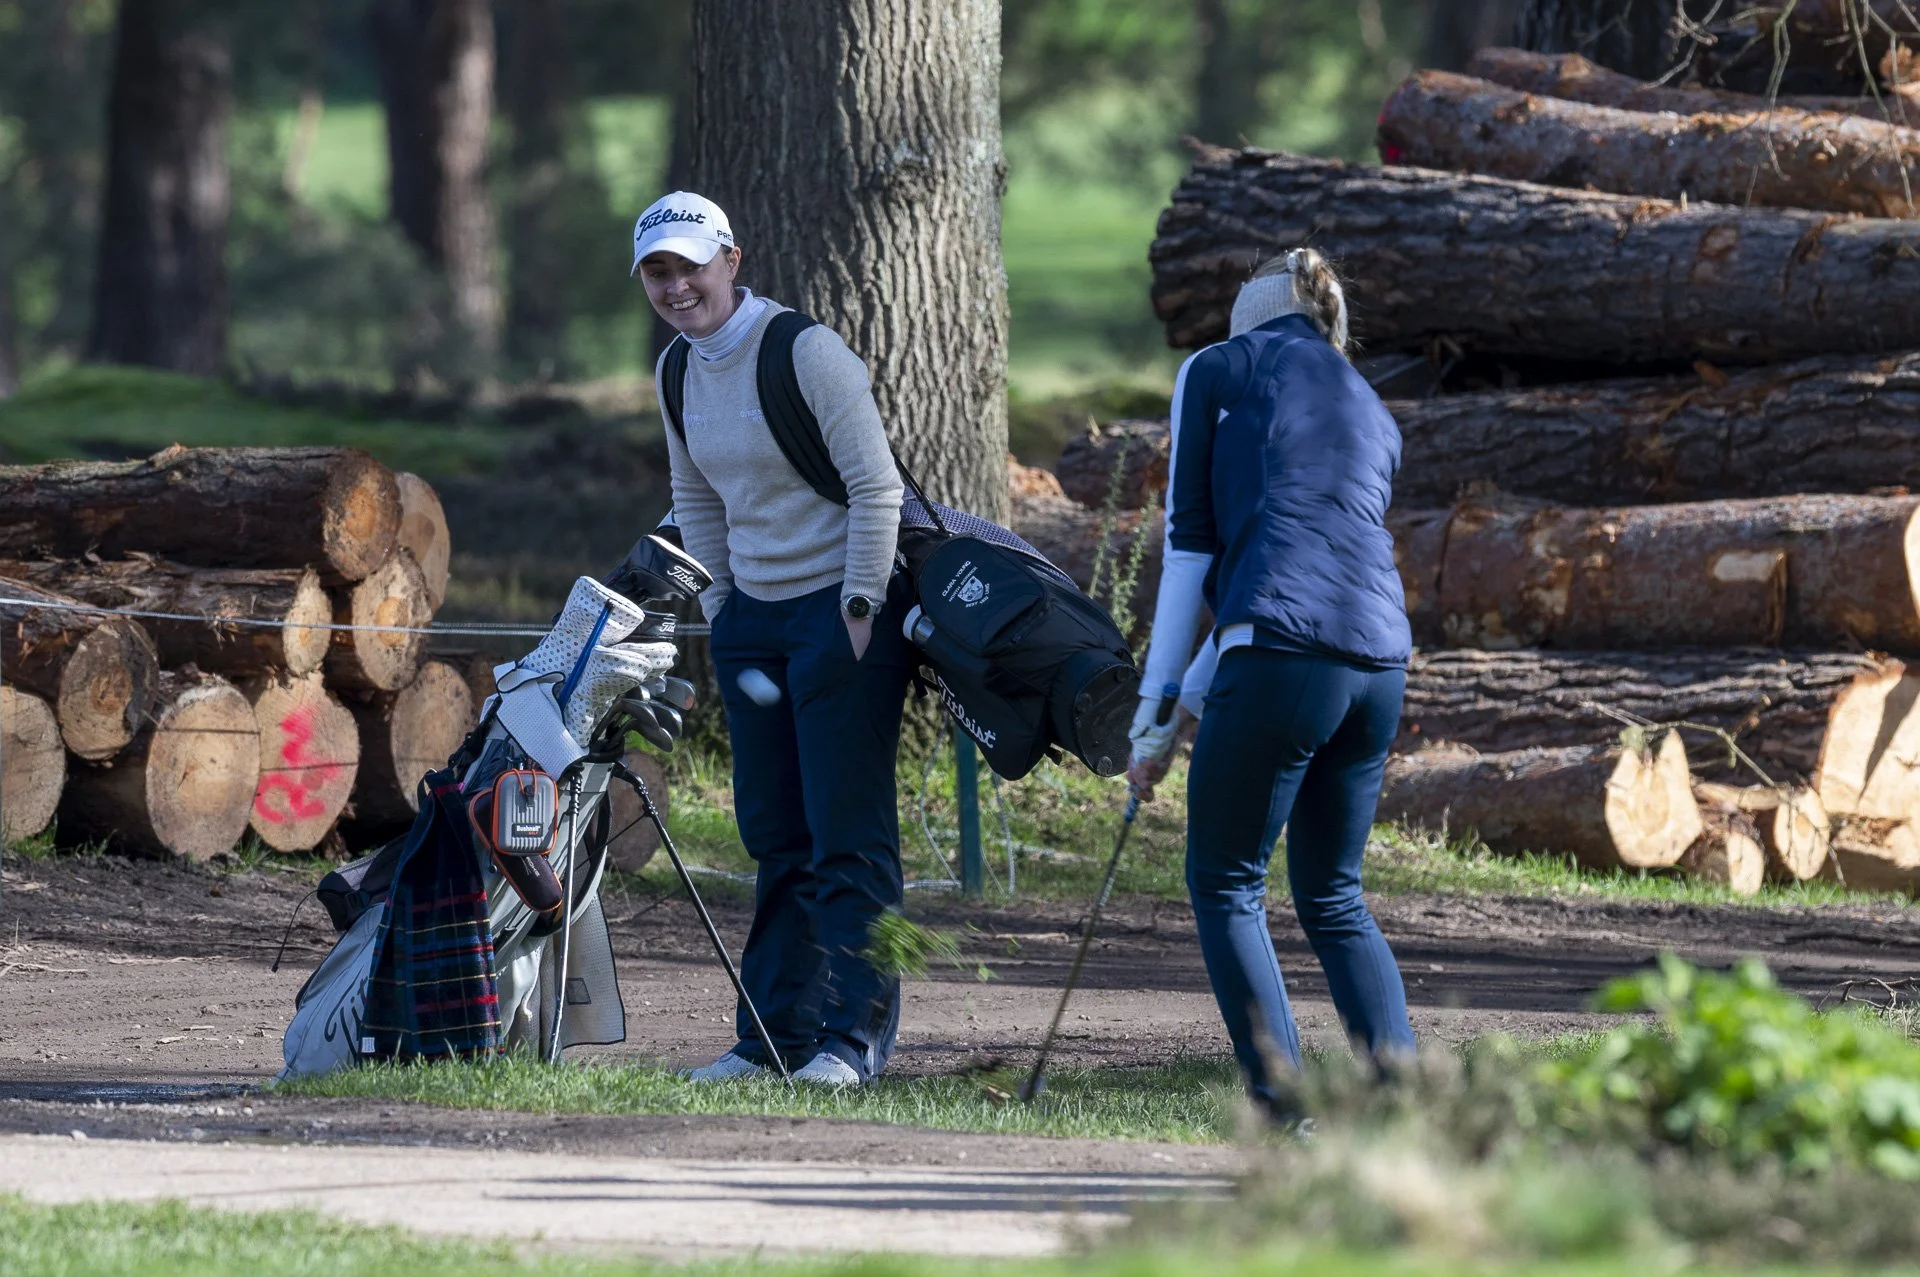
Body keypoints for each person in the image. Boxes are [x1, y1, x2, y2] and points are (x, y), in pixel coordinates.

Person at [1126, 249, 1417, 1117]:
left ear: (1245, 317)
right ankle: (1403, 1108)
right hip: (1378, 670)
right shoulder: (1369, 404)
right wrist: (1183, 705)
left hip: (1283, 657)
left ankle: (1286, 1112)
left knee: (1225, 879)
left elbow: (1191, 552)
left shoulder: (1214, 369)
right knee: (1332, 893)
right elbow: (1278, 571)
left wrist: (1148, 717)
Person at [632, 191, 913, 1087]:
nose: (678, 288)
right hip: (753, 620)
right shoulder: (677, 370)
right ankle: (772, 1038)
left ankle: (852, 1041)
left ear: (732, 260)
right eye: (658, 273)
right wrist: (725, 613)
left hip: (841, 614)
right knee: (775, 836)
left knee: (848, 837)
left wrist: (860, 613)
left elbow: (879, 489)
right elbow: (699, 500)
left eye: (690, 266)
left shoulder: (807, 351)